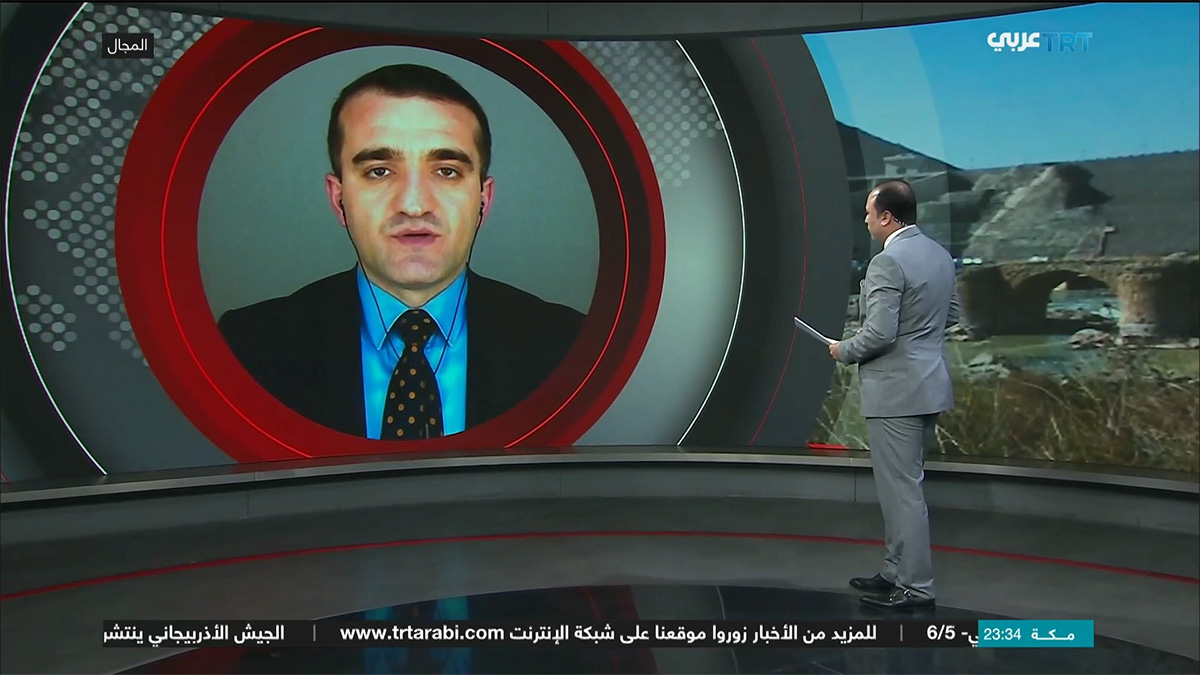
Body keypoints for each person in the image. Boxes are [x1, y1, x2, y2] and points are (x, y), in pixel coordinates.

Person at [218, 64, 585, 440]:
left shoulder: (570, 347)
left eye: (446, 171)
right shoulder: (243, 349)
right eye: (379, 171)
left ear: (483, 200)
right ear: (339, 199)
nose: (413, 205)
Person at [827, 179, 959, 611]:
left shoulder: (887, 262)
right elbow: (952, 314)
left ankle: (916, 587)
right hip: (929, 386)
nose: (865, 220)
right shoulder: (939, 255)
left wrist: (844, 350)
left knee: (902, 493)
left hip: (896, 393)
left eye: (869, 213)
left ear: (886, 217)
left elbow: (880, 334)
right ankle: (894, 571)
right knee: (903, 487)